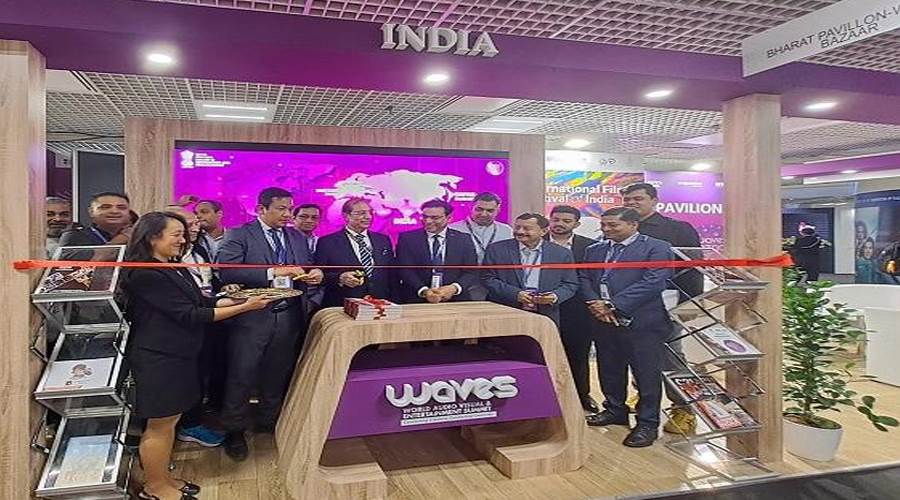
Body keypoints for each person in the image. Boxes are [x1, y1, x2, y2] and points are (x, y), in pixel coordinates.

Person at [123, 211, 271, 500]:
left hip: (180, 355)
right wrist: (245, 308)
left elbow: (202, 300)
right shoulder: (145, 273)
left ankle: (163, 478)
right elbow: (191, 314)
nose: (183, 240)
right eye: (176, 234)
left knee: (170, 422)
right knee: (160, 425)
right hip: (159, 357)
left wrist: (236, 299)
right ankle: (154, 487)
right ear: (152, 237)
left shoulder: (171, 266)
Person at [216, 187, 324, 462]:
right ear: (261, 209)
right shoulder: (239, 235)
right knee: (242, 374)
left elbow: (305, 267)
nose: (287, 214)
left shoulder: (296, 237)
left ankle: (268, 421)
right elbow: (227, 270)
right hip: (252, 316)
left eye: (290, 209)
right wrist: (273, 271)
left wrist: (314, 274)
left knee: (277, 372)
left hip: (288, 314)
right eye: (281, 209)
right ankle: (234, 430)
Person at [579, 207, 674, 448]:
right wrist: (595, 304)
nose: (606, 229)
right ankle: (615, 409)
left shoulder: (656, 247)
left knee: (646, 373)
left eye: (613, 225)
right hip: (602, 320)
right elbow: (584, 278)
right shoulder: (595, 249)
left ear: (633, 224)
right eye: (604, 225)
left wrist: (613, 305)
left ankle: (647, 423)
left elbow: (654, 282)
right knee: (609, 367)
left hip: (643, 322)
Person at [621, 182, 702, 434]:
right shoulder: (619, 228)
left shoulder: (678, 229)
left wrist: (691, 302)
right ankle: (643, 395)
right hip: (628, 304)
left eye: (637, 199)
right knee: (635, 353)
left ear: (654, 201)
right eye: (627, 200)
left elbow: (693, 267)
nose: (631, 203)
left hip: (666, 303)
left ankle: (684, 408)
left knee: (671, 355)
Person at [545, 205, 599, 412]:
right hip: (542, 305)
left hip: (577, 308)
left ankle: (581, 396)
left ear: (576, 224)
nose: (559, 224)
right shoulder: (536, 242)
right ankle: (547, 397)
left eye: (566, 221)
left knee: (578, 353)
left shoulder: (590, 247)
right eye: (556, 219)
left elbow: (591, 278)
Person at [482, 213, 578, 326]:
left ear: (543, 231)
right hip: (505, 309)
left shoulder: (561, 253)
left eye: (527, 228)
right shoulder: (497, 249)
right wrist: (515, 294)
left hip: (545, 313)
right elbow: (487, 278)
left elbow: (570, 284)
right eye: (517, 227)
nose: (520, 231)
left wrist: (554, 296)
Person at [315, 198, 396, 306]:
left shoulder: (383, 240)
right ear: (346, 216)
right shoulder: (327, 242)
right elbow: (318, 275)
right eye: (361, 213)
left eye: (370, 212)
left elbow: (392, 274)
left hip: (380, 304)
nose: (368, 217)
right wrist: (339, 278)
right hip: (342, 304)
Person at [396, 199, 478, 303]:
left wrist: (453, 288)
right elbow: (405, 270)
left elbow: (471, 271)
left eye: (435, 218)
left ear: (449, 218)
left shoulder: (463, 239)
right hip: (417, 298)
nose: (428, 221)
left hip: (455, 299)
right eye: (425, 217)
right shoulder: (407, 239)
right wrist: (424, 291)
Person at [450, 192, 514, 300]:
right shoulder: (453, 229)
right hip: (462, 286)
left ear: (498, 210)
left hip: (497, 286)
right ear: (471, 207)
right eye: (479, 209)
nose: (484, 214)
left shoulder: (507, 230)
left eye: (490, 211)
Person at [58, 192, 132, 246]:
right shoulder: (74, 236)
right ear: (91, 212)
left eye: (121, 208)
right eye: (105, 207)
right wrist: (120, 240)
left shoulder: (135, 237)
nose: (114, 211)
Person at [294, 203, 325, 316]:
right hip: (290, 295)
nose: (309, 220)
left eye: (314, 217)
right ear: (293, 218)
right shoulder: (282, 241)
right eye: (303, 216)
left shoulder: (322, 242)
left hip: (316, 298)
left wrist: (316, 299)